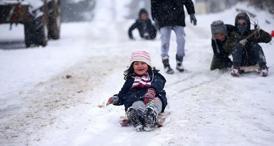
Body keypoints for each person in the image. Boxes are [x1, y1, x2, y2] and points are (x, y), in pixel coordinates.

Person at [107, 51, 167, 131]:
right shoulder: (131, 80)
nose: (140, 66)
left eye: (143, 63)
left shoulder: (154, 76)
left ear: (148, 65)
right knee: (136, 105)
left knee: (154, 103)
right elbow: (123, 94)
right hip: (136, 99)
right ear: (132, 66)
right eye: (136, 64)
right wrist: (116, 98)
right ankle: (135, 116)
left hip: (153, 97)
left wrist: (152, 90)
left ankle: (150, 116)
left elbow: (159, 82)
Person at [151, 0, 197, 74]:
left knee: (181, 40)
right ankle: (166, 63)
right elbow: (154, 4)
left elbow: (188, 1)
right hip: (163, 19)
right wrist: (155, 18)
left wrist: (192, 13)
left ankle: (179, 61)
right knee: (165, 41)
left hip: (178, 18)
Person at [230, 12, 272, 77]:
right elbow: (227, 47)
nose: (241, 25)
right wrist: (238, 44)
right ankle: (235, 68)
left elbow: (268, 38)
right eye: (239, 23)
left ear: (248, 24)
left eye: (244, 23)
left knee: (255, 45)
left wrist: (261, 33)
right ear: (236, 24)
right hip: (240, 61)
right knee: (237, 47)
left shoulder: (252, 33)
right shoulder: (233, 35)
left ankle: (263, 67)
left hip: (252, 60)